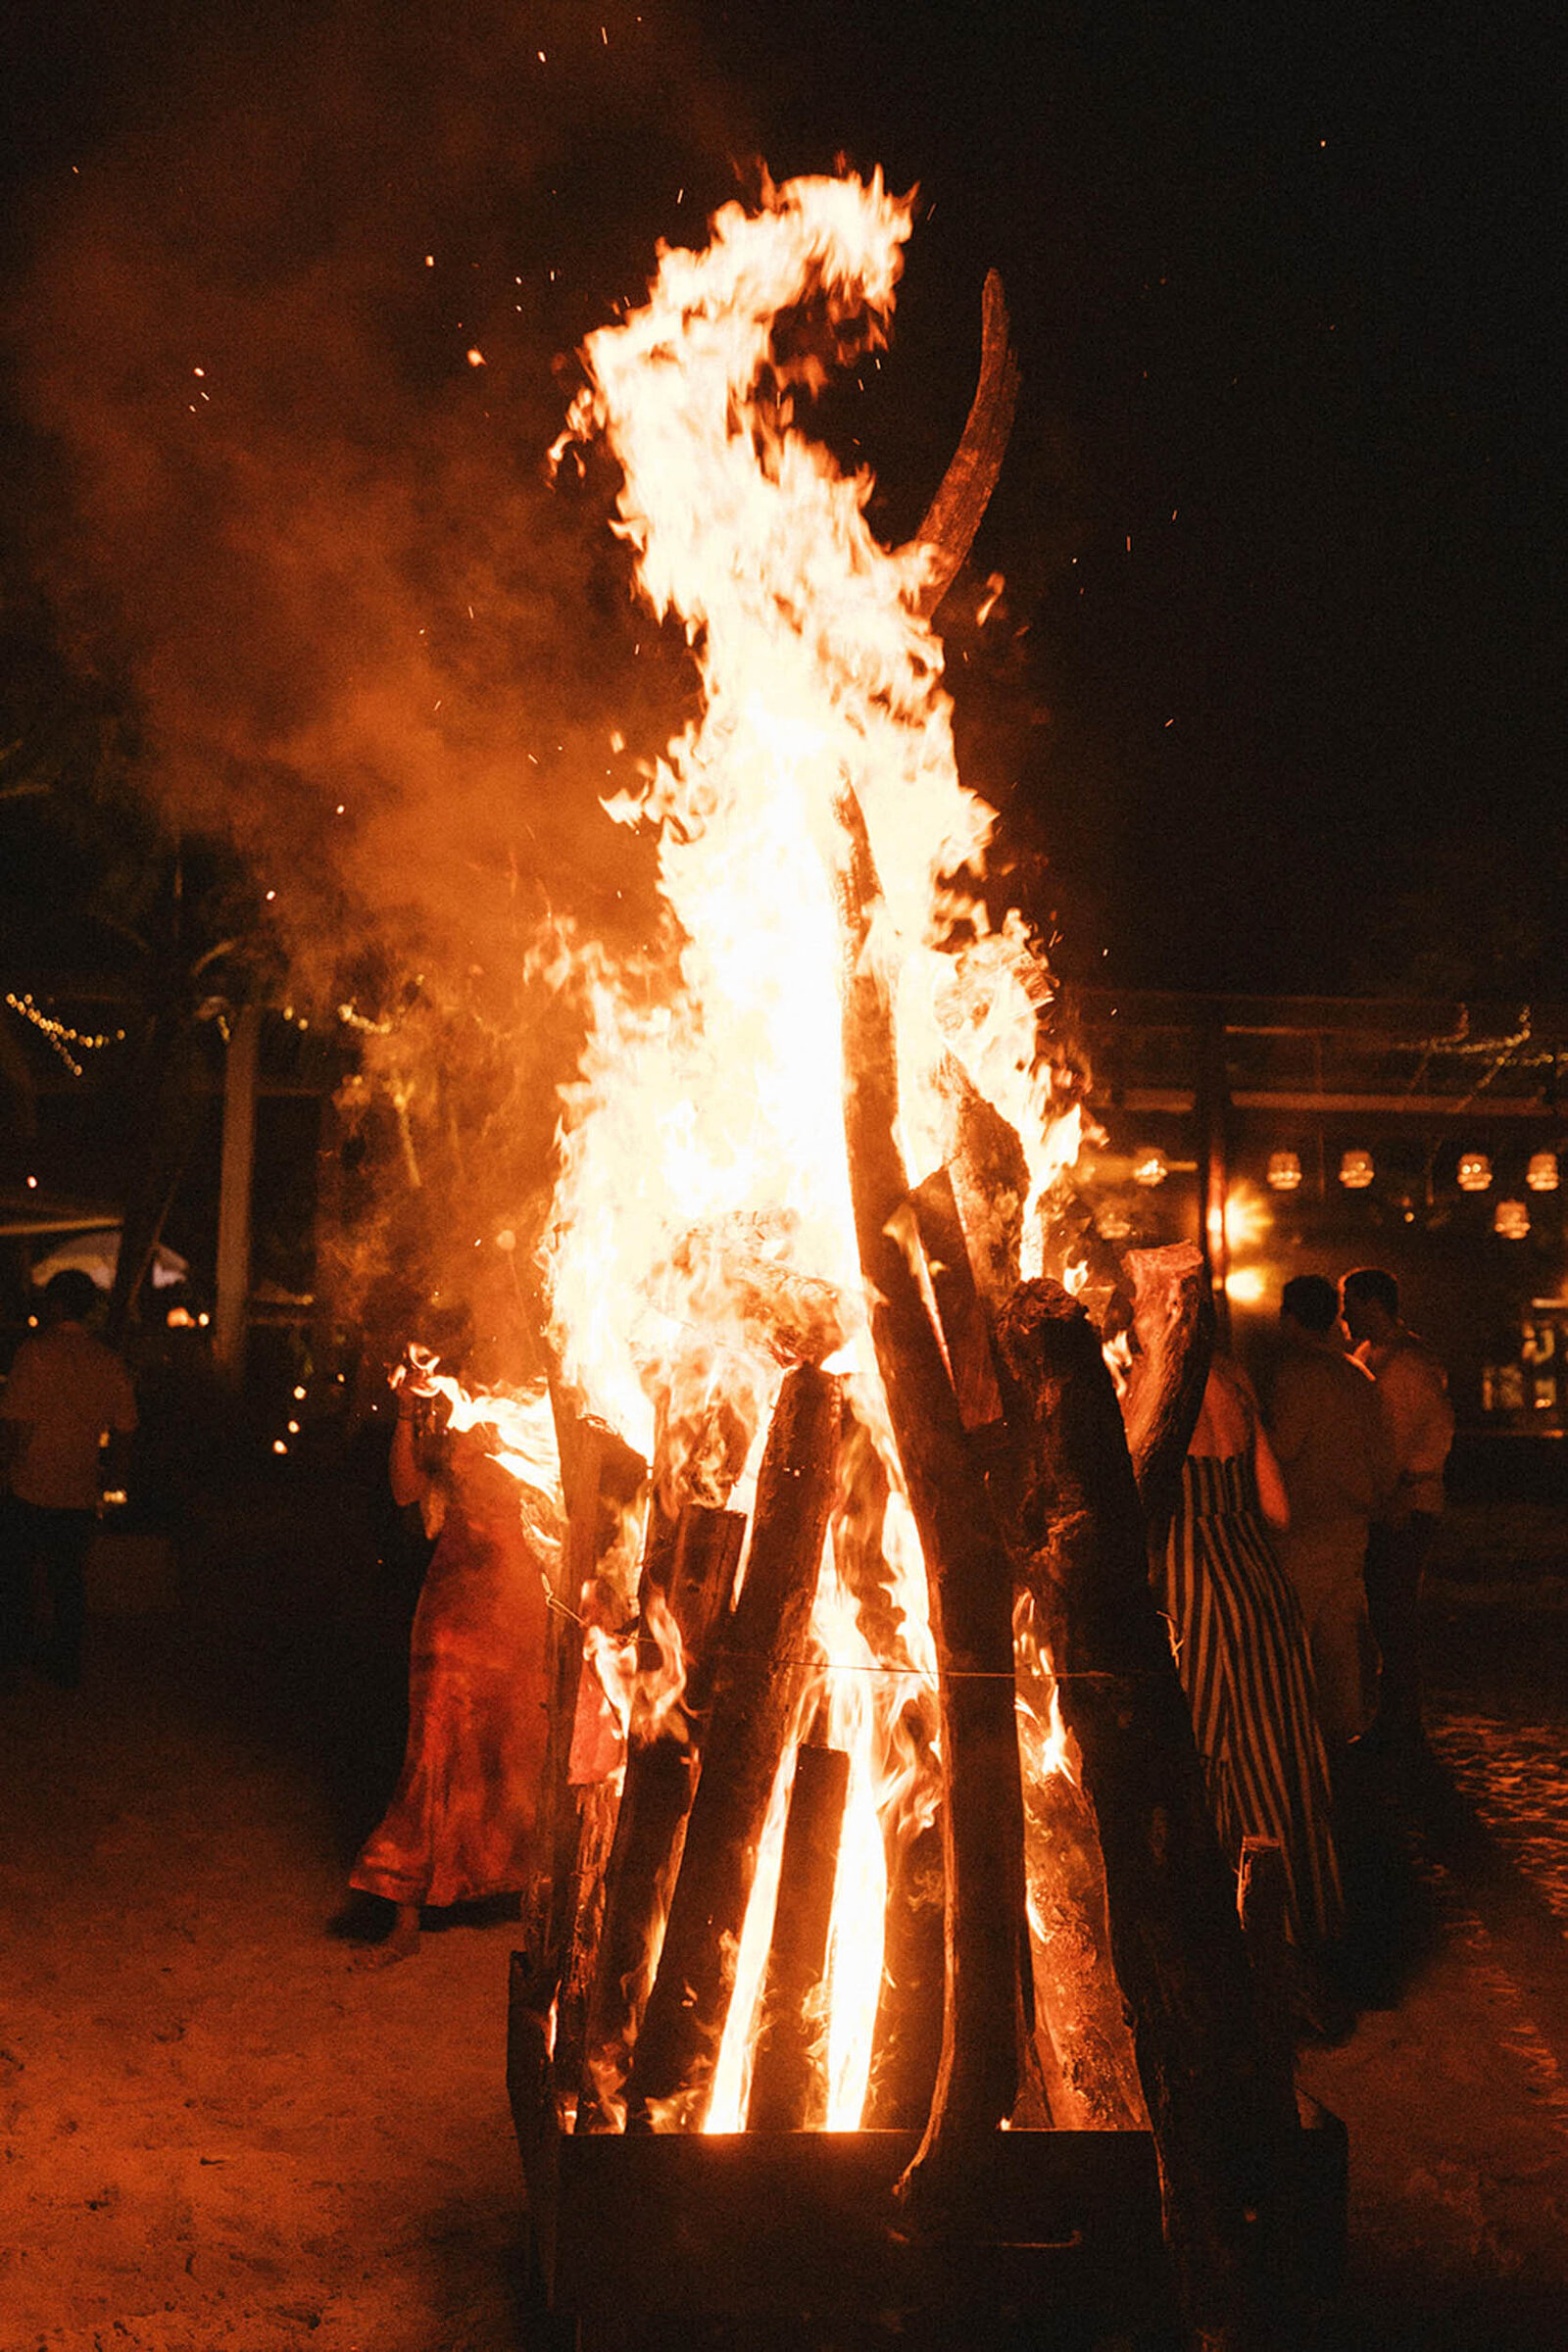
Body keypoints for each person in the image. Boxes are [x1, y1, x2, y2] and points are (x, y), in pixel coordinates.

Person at [347, 1353, 553, 1962]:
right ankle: (405, 1917)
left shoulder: (533, 1410)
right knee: (433, 1745)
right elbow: (407, 1491)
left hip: (521, 1599)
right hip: (456, 1599)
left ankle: (522, 1893)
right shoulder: (446, 1413)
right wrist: (408, 1413)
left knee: (522, 1744)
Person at [1156, 1351, 1343, 1951]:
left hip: (1194, 1589)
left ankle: (1226, 1940)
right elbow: (1278, 1511)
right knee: (1272, 1749)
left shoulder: (1148, 1380)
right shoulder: (1235, 1378)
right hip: (1259, 1584)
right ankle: (1298, 1930)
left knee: (1209, 1750)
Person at [1268, 1275, 1395, 1754]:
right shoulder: (1357, 1376)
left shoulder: (1296, 1375)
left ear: (1289, 1317)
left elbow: (1284, 1448)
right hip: (1352, 1525)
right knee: (1341, 1640)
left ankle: (1296, 1740)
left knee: (1294, 1636)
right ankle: (1345, 1738)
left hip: (1305, 1526)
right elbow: (1383, 1456)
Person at [0, 1269, 137, 1689]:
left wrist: (6, 1470)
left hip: (30, 1483)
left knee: (15, 1575)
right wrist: (113, 1482)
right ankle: (65, 1661)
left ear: (56, 1305)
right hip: (78, 1485)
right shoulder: (106, 1360)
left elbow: (16, 1425)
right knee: (67, 1578)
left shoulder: (35, 1354)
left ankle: (13, 1655)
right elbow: (125, 1429)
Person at [1340, 1267, 1454, 1757]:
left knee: (1394, 1611)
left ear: (1372, 1303)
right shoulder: (1371, 1356)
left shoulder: (1407, 1363)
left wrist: (1406, 1485)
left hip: (1406, 1505)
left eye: (1349, 1302)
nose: (1342, 1314)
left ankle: (1402, 1720)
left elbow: (1433, 1434)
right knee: (1385, 1612)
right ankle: (1395, 1716)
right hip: (1387, 1503)